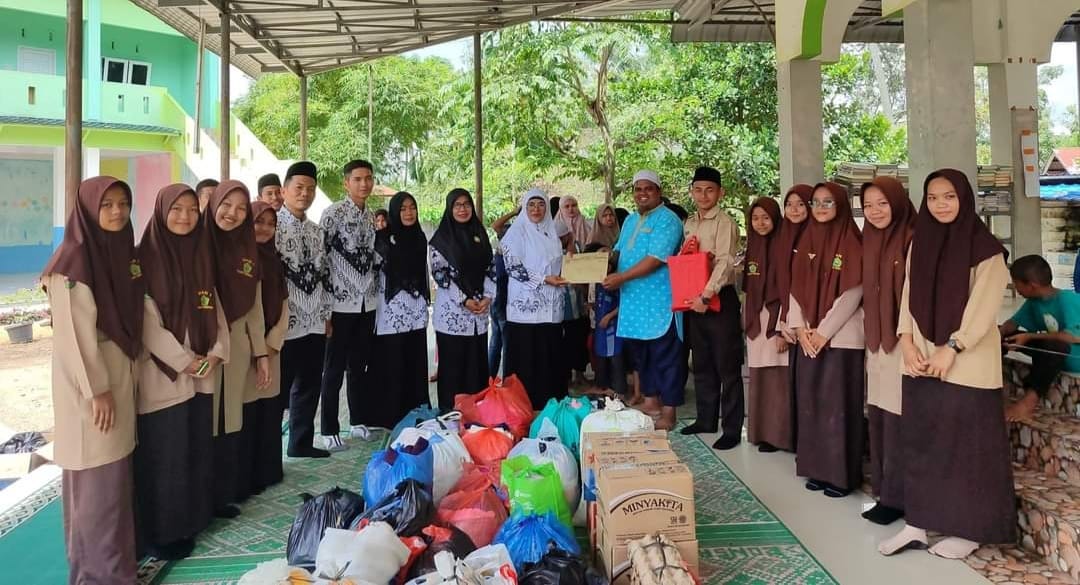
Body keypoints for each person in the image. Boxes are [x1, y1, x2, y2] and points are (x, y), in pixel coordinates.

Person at [878, 169, 1015, 560]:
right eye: (934, 197)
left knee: (965, 448)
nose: (940, 204)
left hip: (966, 365)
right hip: (920, 358)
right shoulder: (919, 243)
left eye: (949, 197)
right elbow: (908, 296)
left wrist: (952, 348)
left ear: (965, 199)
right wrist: (906, 342)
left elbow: (984, 307)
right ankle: (918, 524)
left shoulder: (985, 249)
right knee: (921, 443)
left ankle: (968, 530)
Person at [42, 176, 144, 584]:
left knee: (112, 486)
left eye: (123, 203)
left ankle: (112, 570)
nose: (118, 212)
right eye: (107, 205)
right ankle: (98, 575)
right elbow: (74, 340)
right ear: (87, 210)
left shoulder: (115, 254)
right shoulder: (72, 265)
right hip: (91, 391)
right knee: (96, 488)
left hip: (116, 380)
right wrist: (97, 391)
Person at [135, 183, 229, 559]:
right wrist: (183, 359)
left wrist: (219, 351)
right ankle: (163, 534)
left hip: (202, 370)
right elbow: (146, 323)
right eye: (176, 210)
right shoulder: (142, 259)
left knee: (193, 448)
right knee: (165, 454)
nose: (185, 217)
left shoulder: (201, 254)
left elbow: (216, 309)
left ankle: (191, 519)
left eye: (192, 209)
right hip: (163, 375)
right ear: (161, 212)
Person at [788, 182, 864, 498]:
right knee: (812, 404)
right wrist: (801, 327)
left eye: (828, 202)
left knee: (838, 407)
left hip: (841, 337)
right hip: (809, 337)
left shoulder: (852, 241)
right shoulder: (806, 237)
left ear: (841, 206)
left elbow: (853, 291)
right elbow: (794, 286)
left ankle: (841, 475)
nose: (820, 208)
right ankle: (818, 468)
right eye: (816, 202)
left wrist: (822, 331)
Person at [205, 180, 271, 513]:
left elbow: (255, 306)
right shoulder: (197, 245)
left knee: (231, 419)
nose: (232, 214)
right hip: (203, 349)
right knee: (204, 421)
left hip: (238, 347)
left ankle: (222, 494)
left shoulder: (247, 251)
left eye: (241, 208)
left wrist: (261, 353)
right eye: (226, 205)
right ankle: (201, 497)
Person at [603, 170, 686, 430]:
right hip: (633, 305)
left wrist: (622, 277)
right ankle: (651, 402)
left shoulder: (668, 220)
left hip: (660, 303)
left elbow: (655, 259)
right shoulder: (629, 221)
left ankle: (669, 413)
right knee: (643, 358)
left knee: (667, 359)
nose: (642, 194)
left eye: (648, 189)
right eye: (638, 189)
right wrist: (598, 260)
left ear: (658, 191)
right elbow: (618, 252)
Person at [860, 177, 916, 525]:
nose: (875, 211)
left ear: (897, 201)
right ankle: (884, 490)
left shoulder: (913, 238)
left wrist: (907, 339)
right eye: (868, 205)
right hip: (876, 340)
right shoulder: (870, 238)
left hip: (904, 341)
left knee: (897, 420)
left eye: (882, 203)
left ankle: (900, 498)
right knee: (879, 415)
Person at [678, 167, 744, 449]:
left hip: (717, 300)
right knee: (702, 363)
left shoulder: (725, 223)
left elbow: (726, 262)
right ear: (692, 191)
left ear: (720, 193)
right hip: (694, 301)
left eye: (710, 190)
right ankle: (706, 419)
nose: (703, 195)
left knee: (727, 367)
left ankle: (731, 428)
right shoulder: (689, 223)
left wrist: (706, 296)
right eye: (698, 189)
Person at [318, 160, 380, 451]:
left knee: (360, 366)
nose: (364, 184)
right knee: (333, 368)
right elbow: (321, 259)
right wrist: (325, 308)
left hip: (366, 304)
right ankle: (329, 428)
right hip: (339, 306)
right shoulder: (332, 214)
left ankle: (357, 421)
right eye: (357, 179)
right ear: (346, 183)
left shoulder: (371, 217)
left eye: (368, 178)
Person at [277, 161, 333, 458]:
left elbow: (325, 275)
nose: (305, 193)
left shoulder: (316, 231)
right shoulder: (271, 225)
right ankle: (267, 452)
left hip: (314, 321)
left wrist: (326, 315)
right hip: (286, 321)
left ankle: (300, 443)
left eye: (310, 189)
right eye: (299, 188)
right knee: (279, 389)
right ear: (284, 190)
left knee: (310, 384)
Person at [502, 188, 570, 408]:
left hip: (551, 310)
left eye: (541, 204)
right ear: (524, 207)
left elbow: (558, 266)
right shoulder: (517, 232)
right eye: (531, 204)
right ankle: (523, 409)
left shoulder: (551, 233)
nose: (536, 209)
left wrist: (571, 267)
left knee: (549, 359)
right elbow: (513, 268)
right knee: (527, 361)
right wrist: (543, 279)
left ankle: (550, 408)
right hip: (525, 312)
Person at [430, 188, 496, 406]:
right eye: (457, 205)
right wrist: (464, 300)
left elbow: (491, 268)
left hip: (479, 313)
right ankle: (451, 417)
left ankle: (476, 418)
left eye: (466, 204)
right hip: (453, 315)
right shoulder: (440, 240)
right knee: (453, 370)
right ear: (450, 208)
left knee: (476, 367)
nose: (462, 209)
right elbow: (441, 275)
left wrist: (487, 296)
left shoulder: (480, 234)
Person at [372, 191, 431, 423]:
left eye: (412, 208)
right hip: (391, 311)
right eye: (403, 209)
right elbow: (375, 270)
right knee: (394, 362)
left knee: (415, 361)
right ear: (395, 212)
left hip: (415, 309)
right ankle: (392, 415)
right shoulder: (383, 238)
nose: (408, 213)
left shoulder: (419, 237)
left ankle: (417, 409)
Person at [1001, 254, 1080, 421]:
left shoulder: (1067, 299)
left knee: (1056, 345)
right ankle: (988, 386)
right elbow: (1012, 324)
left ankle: (1029, 402)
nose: (1016, 288)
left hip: (1072, 356)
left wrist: (1028, 336)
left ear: (1032, 285)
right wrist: (996, 334)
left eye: (1017, 284)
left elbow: (1072, 337)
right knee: (1001, 335)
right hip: (1050, 351)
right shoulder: (1034, 301)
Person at [742, 197, 791, 454]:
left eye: (766, 218)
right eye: (755, 218)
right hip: (756, 319)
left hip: (776, 318)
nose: (760, 223)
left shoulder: (783, 245)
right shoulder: (754, 245)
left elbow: (788, 290)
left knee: (778, 380)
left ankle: (779, 435)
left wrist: (783, 328)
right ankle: (761, 433)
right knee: (759, 377)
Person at [250, 201, 289, 491]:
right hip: (247, 348)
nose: (264, 229)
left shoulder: (275, 259)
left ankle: (268, 470)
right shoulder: (239, 260)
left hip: (272, 345)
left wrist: (273, 342)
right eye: (258, 222)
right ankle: (250, 476)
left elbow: (285, 304)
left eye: (270, 224)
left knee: (270, 408)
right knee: (250, 410)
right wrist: (258, 349)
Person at [771, 184, 814, 449]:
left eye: (801, 204)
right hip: (790, 320)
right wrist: (782, 323)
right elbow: (782, 285)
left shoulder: (816, 236)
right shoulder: (783, 237)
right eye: (789, 204)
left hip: (812, 324)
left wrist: (800, 323)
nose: (795, 210)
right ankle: (797, 442)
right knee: (797, 386)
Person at [584, 242, 626, 397]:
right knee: (601, 356)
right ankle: (602, 386)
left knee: (615, 358)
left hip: (612, 327)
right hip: (601, 327)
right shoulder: (599, 283)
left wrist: (609, 316)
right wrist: (591, 306)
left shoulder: (615, 283)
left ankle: (619, 390)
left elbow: (623, 304)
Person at [488, 206, 517, 377]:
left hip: (497, 295)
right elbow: (495, 225)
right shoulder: (511, 234)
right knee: (507, 342)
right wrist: (513, 212)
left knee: (496, 341)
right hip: (502, 296)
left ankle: (490, 379)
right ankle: (506, 380)